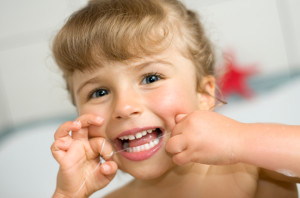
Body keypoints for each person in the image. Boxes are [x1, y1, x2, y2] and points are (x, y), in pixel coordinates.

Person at [50, 0, 300, 197]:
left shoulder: (254, 167)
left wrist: (240, 141)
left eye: (150, 78)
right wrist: (68, 194)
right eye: (99, 92)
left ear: (204, 94)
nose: (124, 107)